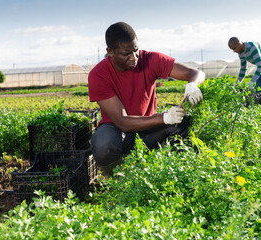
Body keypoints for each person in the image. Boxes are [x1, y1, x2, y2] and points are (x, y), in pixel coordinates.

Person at [88, 22, 205, 176]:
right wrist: (164, 118)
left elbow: (195, 73)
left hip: (148, 131)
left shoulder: (149, 59)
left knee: (184, 123)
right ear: (110, 51)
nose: (134, 58)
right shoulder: (99, 75)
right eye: (126, 54)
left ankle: (177, 172)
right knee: (103, 142)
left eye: (136, 50)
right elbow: (122, 122)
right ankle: (117, 180)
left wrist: (192, 85)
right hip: (118, 134)